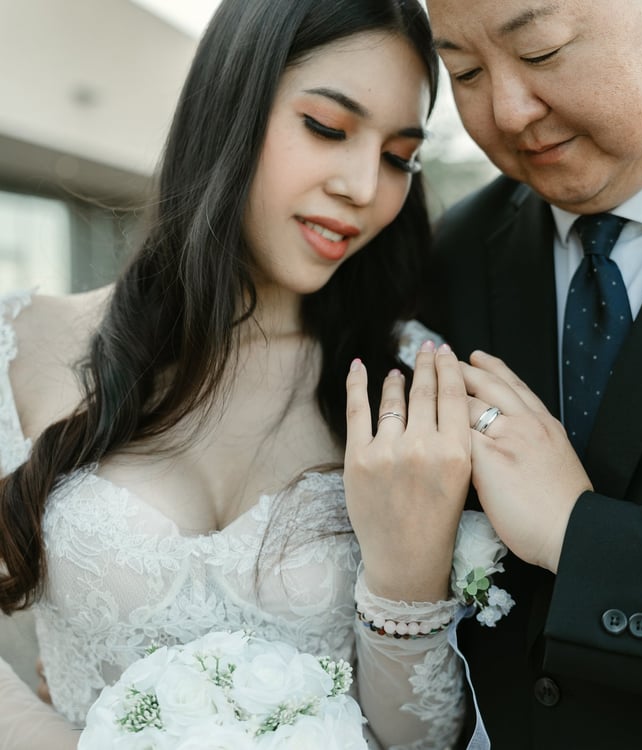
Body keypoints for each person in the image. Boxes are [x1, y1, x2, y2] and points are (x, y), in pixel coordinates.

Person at [0, 0, 472, 747]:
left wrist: (405, 577)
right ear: (230, 103)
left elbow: (422, 739)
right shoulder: (20, 345)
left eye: (398, 157)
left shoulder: (413, 386)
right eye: (327, 128)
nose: (362, 187)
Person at [420, 0, 642, 747]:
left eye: (541, 52)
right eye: (466, 71)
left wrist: (580, 539)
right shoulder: (454, 253)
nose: (509, 112)